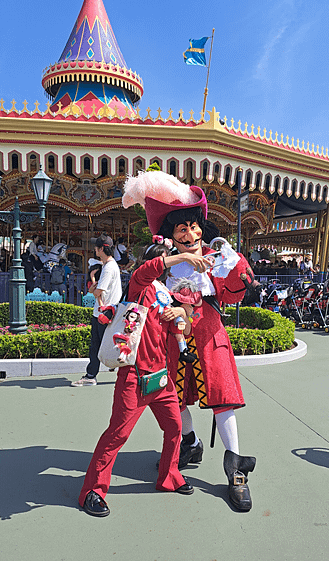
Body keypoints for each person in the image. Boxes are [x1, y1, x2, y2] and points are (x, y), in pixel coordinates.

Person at [122, 170, 256, 512]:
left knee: (223, 400)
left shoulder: (216, 259)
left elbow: (233, 293)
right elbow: (144, 292)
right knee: (174, 397)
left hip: (210, 337)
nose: (191, 234)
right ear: (171, 236)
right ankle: (190, 442)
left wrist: (234, 262)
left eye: (194, 226)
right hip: (173, 341)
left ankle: (236, 470)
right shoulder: (165, 266)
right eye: (182, 229)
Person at [78, 243, 210, 517]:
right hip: (134, 377)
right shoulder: (139, 285)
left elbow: (186, 316)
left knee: (175, 428)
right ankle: (93, 490)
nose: (166, 263)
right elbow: (147, 270)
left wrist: (181, 314)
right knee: (117, 434)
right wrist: (182, 256)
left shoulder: (164, 293)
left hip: (161, 379)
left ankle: (169, 476)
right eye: (162, 259)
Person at [72, 235, 122, 387]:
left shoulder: (108, 268)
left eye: (96, 247)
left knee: (97, 345)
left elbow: (99, 290)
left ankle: (90, 375)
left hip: (103, 312)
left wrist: (95, 290)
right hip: (106, 311)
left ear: (101, 249)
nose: (94, 249)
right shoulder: (110, 265)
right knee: (105, 344)